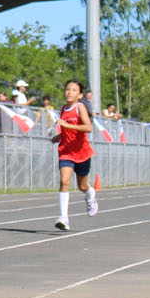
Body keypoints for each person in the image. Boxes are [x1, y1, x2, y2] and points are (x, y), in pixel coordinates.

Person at [50, 78, 97, 231]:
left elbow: (88, 127)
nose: (69, 92)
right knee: (64, 181)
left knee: (82, 186)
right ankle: (64, 218)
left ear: (80, 95)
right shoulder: (63, 108)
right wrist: (59, 136)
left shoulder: (80, 107)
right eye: (67, 89)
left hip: (82, 152)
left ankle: (90, 195)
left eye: (74, 90)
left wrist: (67, 125)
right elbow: (66, 130)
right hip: (66, 151)